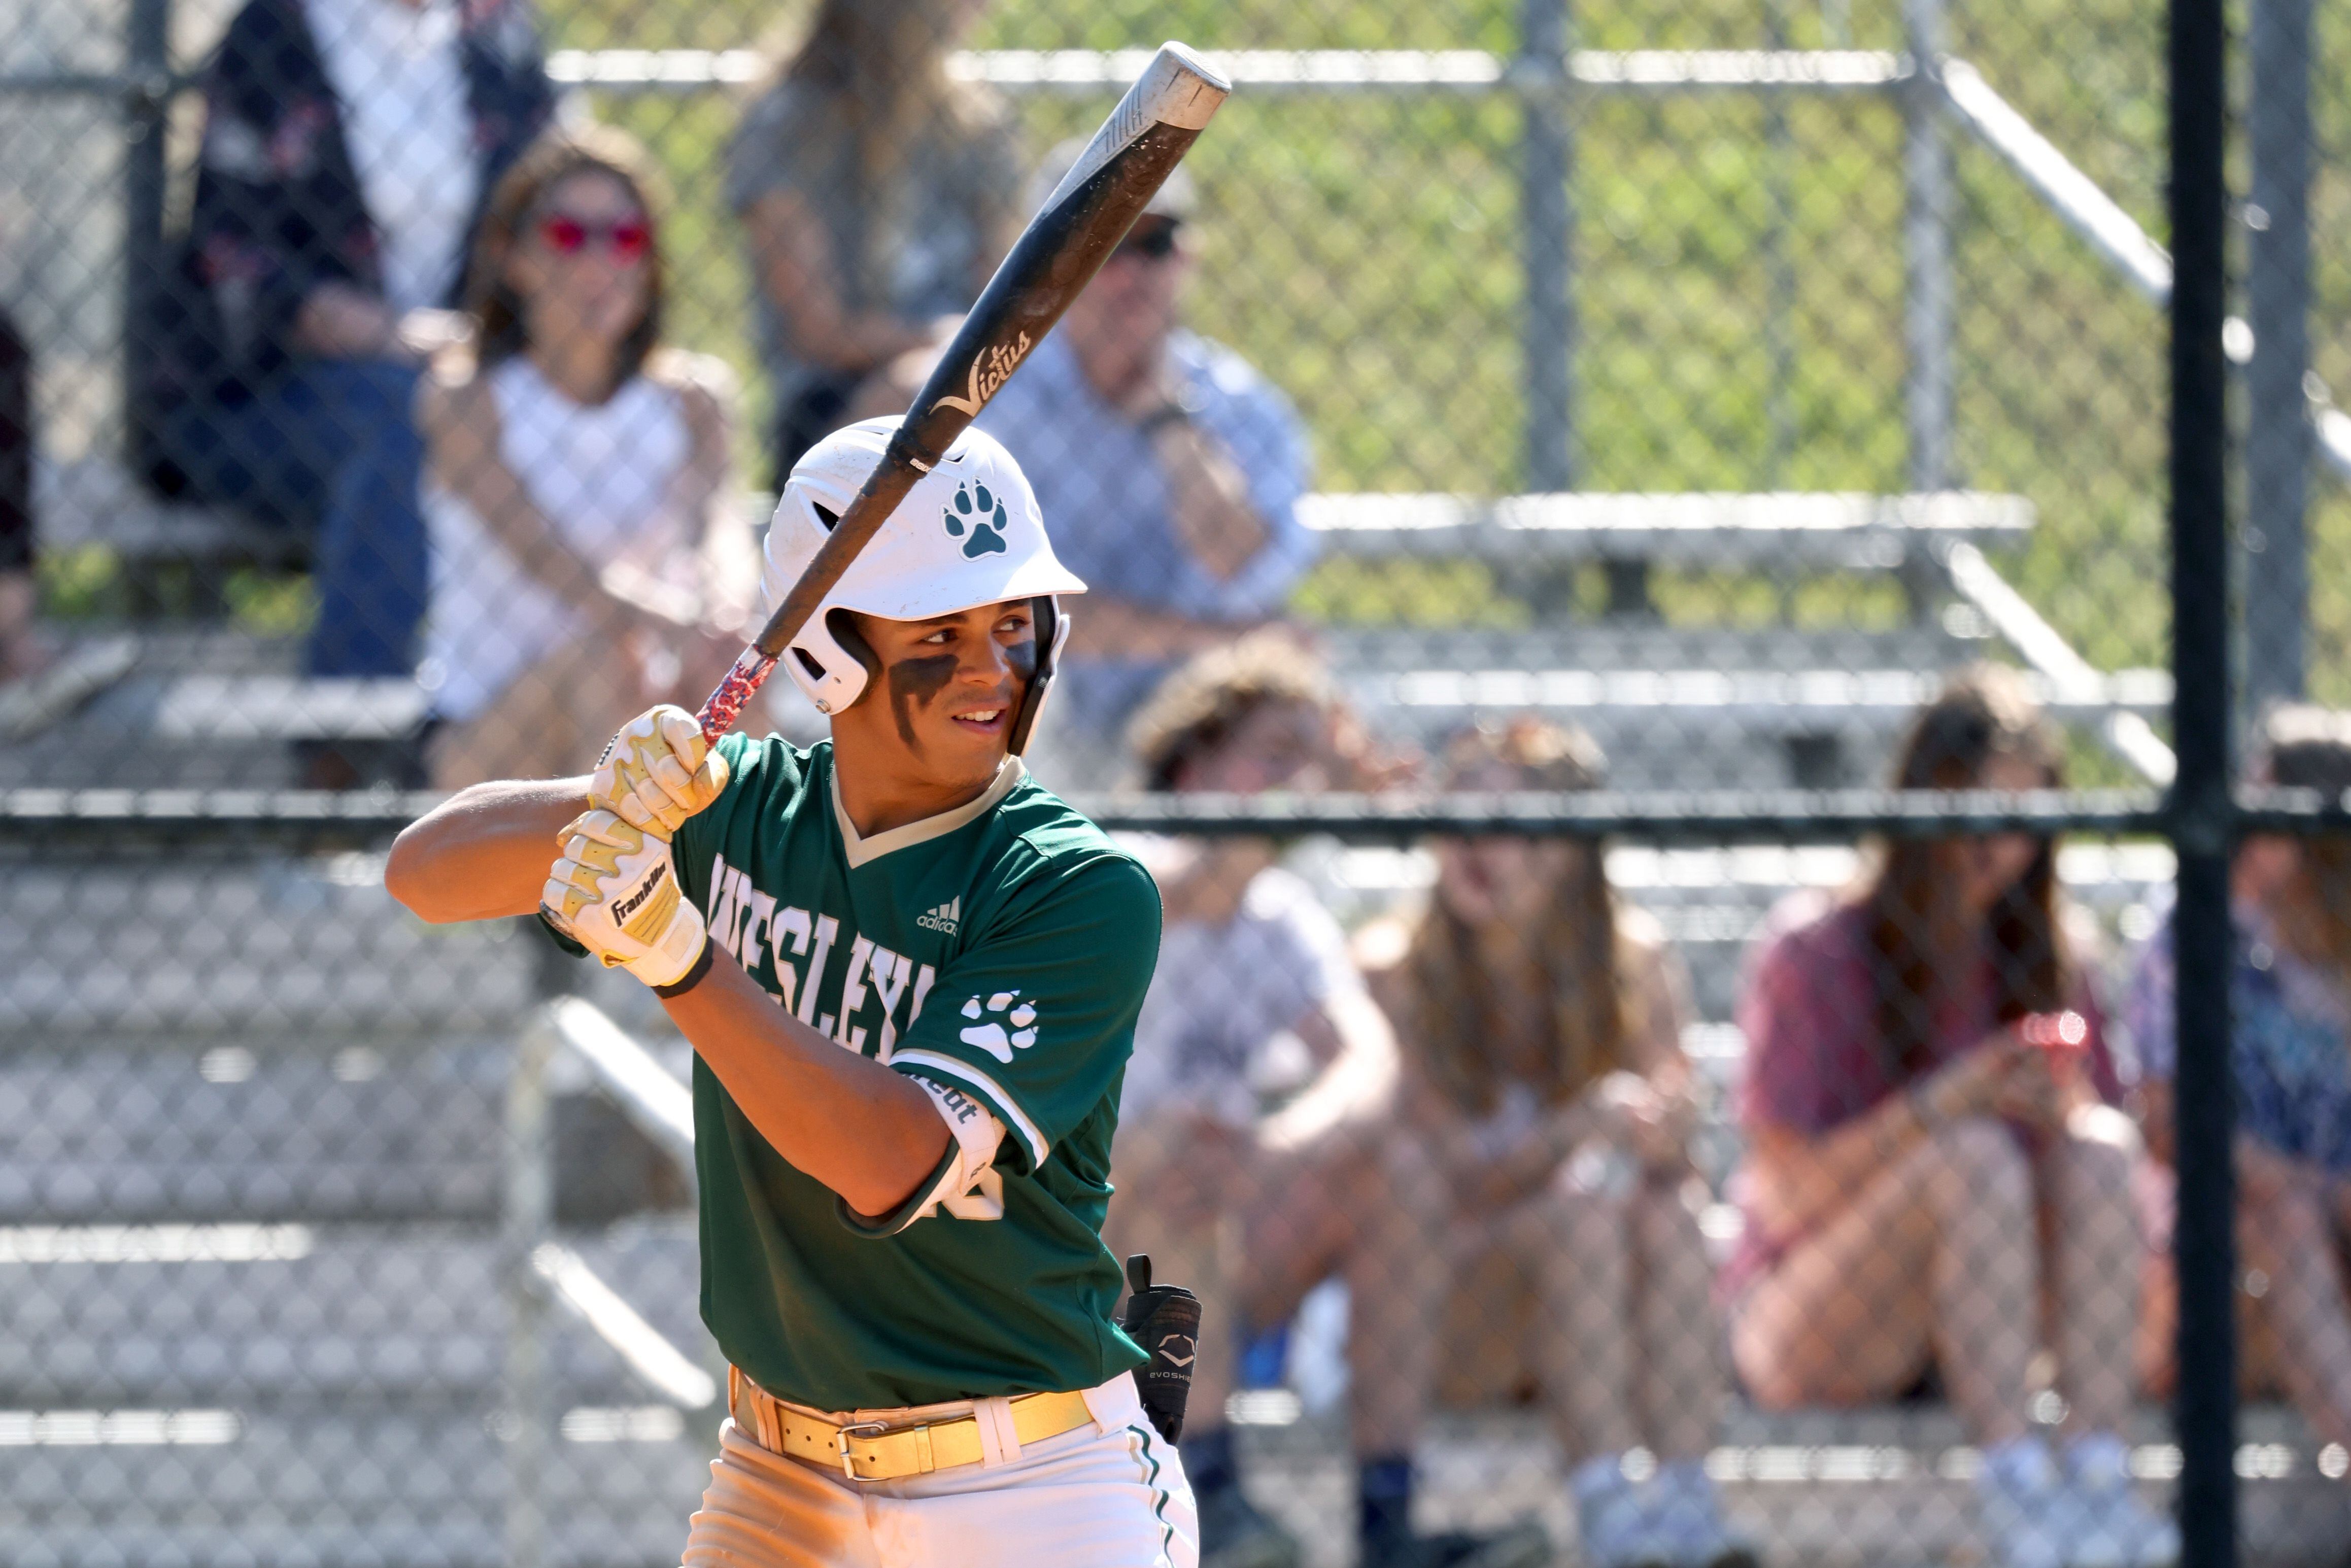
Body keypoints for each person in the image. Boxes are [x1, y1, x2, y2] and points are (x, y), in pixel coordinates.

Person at [386, 419, 1195, 1566]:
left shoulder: (1072, 885)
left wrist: (679, 957)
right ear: (825, 649)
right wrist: (622, 798)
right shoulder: (744, 808)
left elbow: (890, 1158)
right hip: (782, 1475)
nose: (990, 668)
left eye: (1014, 624)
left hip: (1034, 1483)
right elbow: (425, 871)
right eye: (939, 630)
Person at [1723, 665, 2175, 1568]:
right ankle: (2013, 1491)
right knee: (1969, 1156)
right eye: (1963, 804)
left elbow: (2113, 1179)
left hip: (1989, 1330)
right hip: (1815, 1321)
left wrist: (2057, 1114)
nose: (1986, 839)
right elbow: (1781, 1196)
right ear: (1916, 798)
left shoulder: (2051, 955)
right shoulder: (1816, 949)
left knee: (2095, 1150)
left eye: (2016, 815)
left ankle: (2092, 1478)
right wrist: (1940, 1107)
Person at [1109, 635, 1546, 1568]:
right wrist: (1316, 792)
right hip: (1078, 1264)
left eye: (1304, 759)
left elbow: (1369, 1068)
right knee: (1173, 1153)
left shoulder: (1278, 915)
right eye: (1273, 754)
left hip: (1214, 1248)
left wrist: (1279, 1150)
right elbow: (1190, 887)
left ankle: (1389, 1524)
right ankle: (1205, 1499)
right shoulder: (1112, 869)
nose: (1295, 779)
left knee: (1393, 1165)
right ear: (1194, 766)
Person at [1355, 719, 1749, 1568]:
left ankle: (1684, 1502)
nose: (1475, 847)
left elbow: (1678, 1148)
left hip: (1601, 1308)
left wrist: (1661, 1130)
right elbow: (1436, 1192)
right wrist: (1579, 1132)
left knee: (1670, 1209)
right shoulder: (1394, 971)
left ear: (1568, 852)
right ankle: (1610, 1511)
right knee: (1582, 1205)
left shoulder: (1632, 963)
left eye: (1508, 824)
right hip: (1445, 1323)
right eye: (1457, 819)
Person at [872, 142, 1315, 781]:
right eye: (1104, 246)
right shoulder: (981, 392)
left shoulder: (1241, 408)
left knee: (1274, 718)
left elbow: (1240, 563)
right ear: (1050, 264)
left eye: (1153, 244)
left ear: (1186, 259)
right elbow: (1004, 609)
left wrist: (1169, 420)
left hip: (1193, 711)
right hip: (1023, 696)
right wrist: (1216, 642)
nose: (1129, 272)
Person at [145, 0, 551, 679]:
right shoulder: (277, 30)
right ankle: (347, 745)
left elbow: (558, 211)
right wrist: (407, 341)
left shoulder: (497, 34)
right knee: (413, 421)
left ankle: (523, 720)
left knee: (544, 422)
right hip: (260, 398)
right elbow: (236, 257)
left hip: (467, 383)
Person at [418, 126, 752, 788]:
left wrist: (723, 614)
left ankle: (752, 887)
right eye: (569, 236)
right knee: (611, 653)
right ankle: (602, 888)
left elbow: (718, 528)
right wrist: (664, 621)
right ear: (511, 256)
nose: (600, 263)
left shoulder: (695, 400)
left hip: (650, 681)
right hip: (486, 734)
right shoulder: (467, 398)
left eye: (625, 238)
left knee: (733, 660)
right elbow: (545, 558)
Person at [2130, 704, 2351, 1457]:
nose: (2242, 825)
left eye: (2269, 810)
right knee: (2282, 1214)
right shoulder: (2191, 934)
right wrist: (2306, 1186)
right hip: (2213, 1286)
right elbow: (2162, 1123)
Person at [727, 0, 1022, 485]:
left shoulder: (977, 124)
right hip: (834, 409)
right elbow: (820, 333)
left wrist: (969, 353)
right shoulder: (789, 124)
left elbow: (1007, 288)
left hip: (971, 376)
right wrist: (949, 346)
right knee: (922, 390)